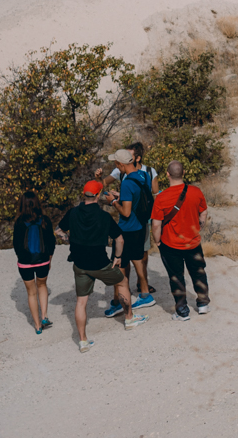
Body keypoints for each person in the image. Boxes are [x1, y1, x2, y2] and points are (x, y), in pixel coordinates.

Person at [61, 180, 145, 351]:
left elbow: (58, 230)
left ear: (84, 194)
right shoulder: (104, 216)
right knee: (122, 282)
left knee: (81, 302)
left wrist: (69, 239)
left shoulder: (73, 213)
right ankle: (129, 319)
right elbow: (119, 239)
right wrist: (118, 257)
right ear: (98, 195)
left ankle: (83, 341)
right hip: (100, 263)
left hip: (79, 264)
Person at [151, 159, 211, 320]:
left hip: (170, 244)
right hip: (193, 242)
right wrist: (199, 227)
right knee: (198, 272)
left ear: (167, 174)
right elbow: (203, 212)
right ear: (183, 173)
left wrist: (157, 241)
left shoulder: (161, 198)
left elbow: (156, 225)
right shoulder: (196, 192)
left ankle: (182, 311)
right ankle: (203, 303)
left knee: (176, 277)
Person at [106, 145, 158, 315]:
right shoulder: (144, 175)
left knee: (118, 266)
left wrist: (113, 202)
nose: (115, 166)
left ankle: (118, 302)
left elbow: (126, 212)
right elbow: (139, 197)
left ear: (121, 164)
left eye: (116, 163)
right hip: (140, 226)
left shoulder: (127, 183)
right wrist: (122, 197)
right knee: (138, 261)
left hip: (126, 229)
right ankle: (145, 294)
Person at [12, 193, 57, 334]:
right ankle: (44, 316)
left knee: (31, 293)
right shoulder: (45, 220)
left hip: (25, 263)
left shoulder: (19, 222)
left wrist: (21, 257)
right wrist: (49, 258)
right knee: (42, 286)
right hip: (43, 260)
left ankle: (37, 326)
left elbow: (16, 244)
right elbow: (51, 241)